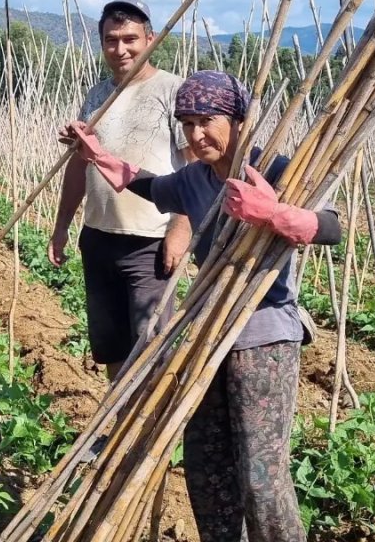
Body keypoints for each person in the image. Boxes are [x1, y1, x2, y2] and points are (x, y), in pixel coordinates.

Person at [59, 70, 342, 542]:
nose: (195, 134)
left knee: (260, 473)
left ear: (239, 120)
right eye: (186, 123)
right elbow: (146, 185)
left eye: (206, 121)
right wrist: (98, 155)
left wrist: (274, 214)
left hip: (263, 335)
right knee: (206, 465)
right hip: (206, 334)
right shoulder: (195, 178)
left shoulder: (275, 170)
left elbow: (331, 228)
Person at [49, 0, 194, 381]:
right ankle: (115, 428)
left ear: (150, 39)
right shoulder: (97, 96)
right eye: (111, 40)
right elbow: (80, 164)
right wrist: (63, 225)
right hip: (98, 236)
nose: (121, 48)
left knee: (151, 344)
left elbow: (195, 168)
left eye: (130, 38)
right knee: (111, 343)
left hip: (151, 240)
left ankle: (149, 433)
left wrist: (180, 229)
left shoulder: (174, 91)